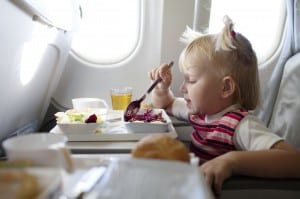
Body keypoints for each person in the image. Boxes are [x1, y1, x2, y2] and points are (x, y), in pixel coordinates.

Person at [149, 15, 300, 197]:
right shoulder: (199, 112)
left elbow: (293, 161)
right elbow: (166, 104)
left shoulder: (240, 125)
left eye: (191, 80)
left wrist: (231, 161)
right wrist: (161, 89)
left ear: (225, 87)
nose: (182, 88)